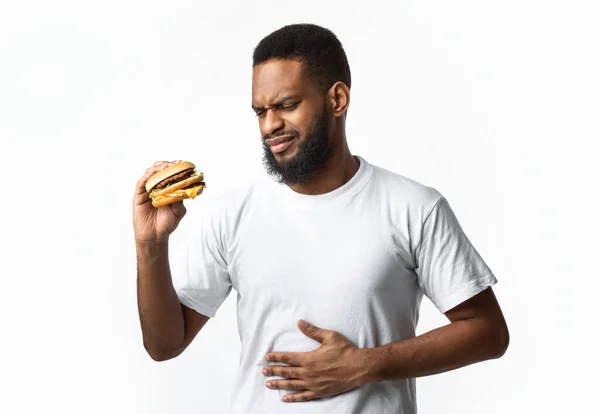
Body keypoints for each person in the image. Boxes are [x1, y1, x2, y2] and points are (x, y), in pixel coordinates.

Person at [133, 23, 509, 414]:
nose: (269, 125)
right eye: (260, 111)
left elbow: (488, 332)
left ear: (338, 99)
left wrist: (366, 365)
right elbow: (164, 345)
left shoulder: (413, 207)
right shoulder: (232, 215)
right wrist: (150, 244)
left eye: (286, 105)